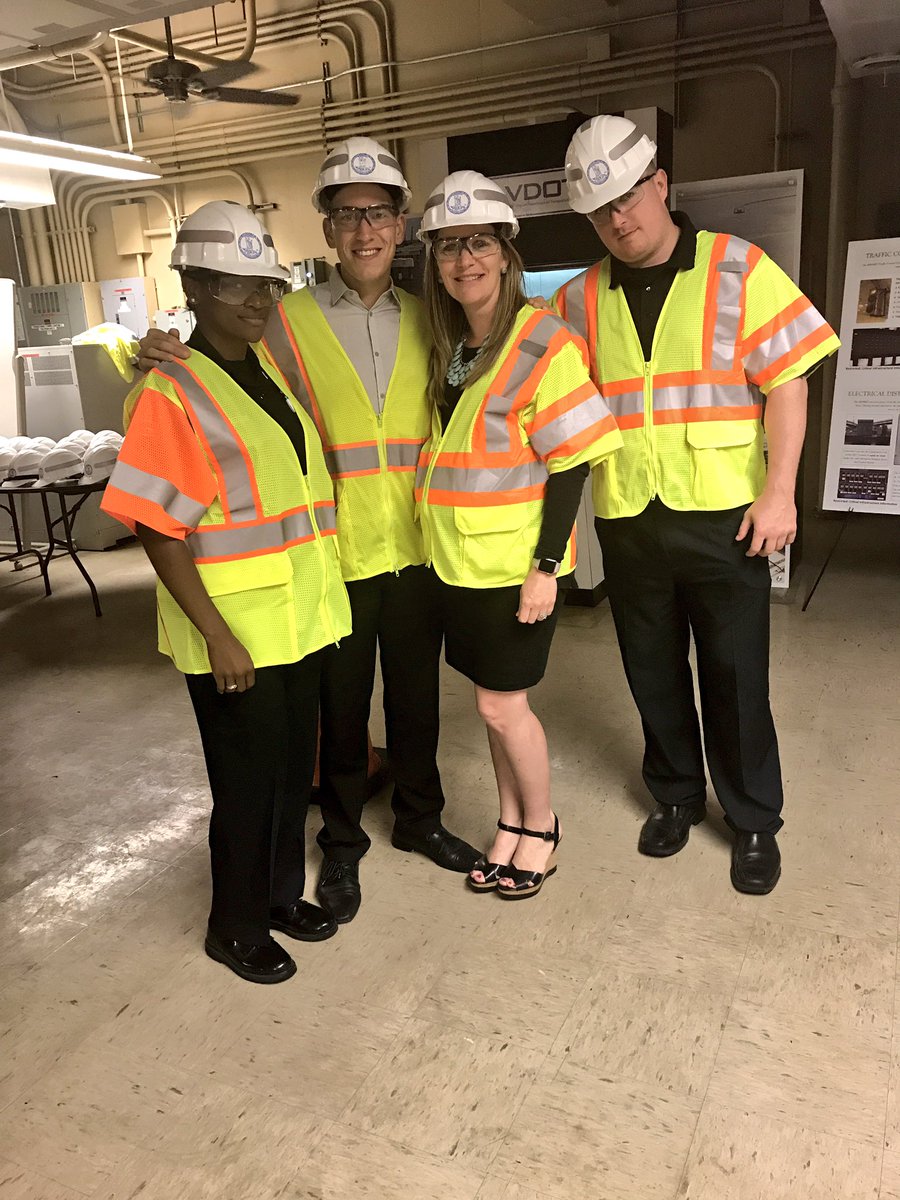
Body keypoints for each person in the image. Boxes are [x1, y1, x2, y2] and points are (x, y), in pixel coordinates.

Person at [136, 139, 479, 926]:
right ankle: (346, 842)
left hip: (420, 547)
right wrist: (154, 357)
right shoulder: (278, 318)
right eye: (347, 214)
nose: (365, 230)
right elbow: (217, 382)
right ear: (327, 228)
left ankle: (421, 819)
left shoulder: (435, 315)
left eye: (380, 212)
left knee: (421, 702)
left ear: (402, 225)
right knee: (343, 713)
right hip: (335, 557)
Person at [556, 115, 840, 893]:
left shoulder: (738, 268)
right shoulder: (577, 299)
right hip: (629, 517)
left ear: (660, 185)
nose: (618, 219)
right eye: (599, 210)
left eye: (628, 198)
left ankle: (752, 820)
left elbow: (789, 379)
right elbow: (541, 390)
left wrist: (781, 494)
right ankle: (676, 796)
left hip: (726, 516)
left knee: (737, 674)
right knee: (650, 670)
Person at [102, 202, 352, 983]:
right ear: (197, 285)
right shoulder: (172, 391)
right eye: (235, 284)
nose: (255, 300)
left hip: (298, 620)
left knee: (286, 776)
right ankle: (233, 925)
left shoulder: (261, 367)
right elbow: (154, 523)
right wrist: (214, 633)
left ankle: (277, 897)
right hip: (237, 634)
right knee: (245, 786)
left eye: (266, 286)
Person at [416, 171, 622, 899]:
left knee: (505, 706)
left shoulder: (543, 341)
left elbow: (573, 460)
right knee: (486, 704)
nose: (463, 260)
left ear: (506, 251)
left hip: (514, 567)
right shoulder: (454, 346)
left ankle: (542, 828)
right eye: (447, 247)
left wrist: (545, 567)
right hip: (457, 565)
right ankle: (508, 823)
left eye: (477, 243)